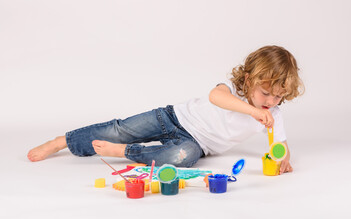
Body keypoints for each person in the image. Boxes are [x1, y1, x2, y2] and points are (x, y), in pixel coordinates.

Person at [28, 45, 304, 175]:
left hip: (196, 144)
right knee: (121, 129)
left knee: (181, 158)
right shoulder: (233, 91)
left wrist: (284, 159)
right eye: (265, 93)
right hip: (173, 118)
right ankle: (62, 141)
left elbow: (280, 145)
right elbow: (215, 97)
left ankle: (124, 152)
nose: (270, 101)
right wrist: (252, 111)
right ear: (248, 80)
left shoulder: (272, 117)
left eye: (278, 97)